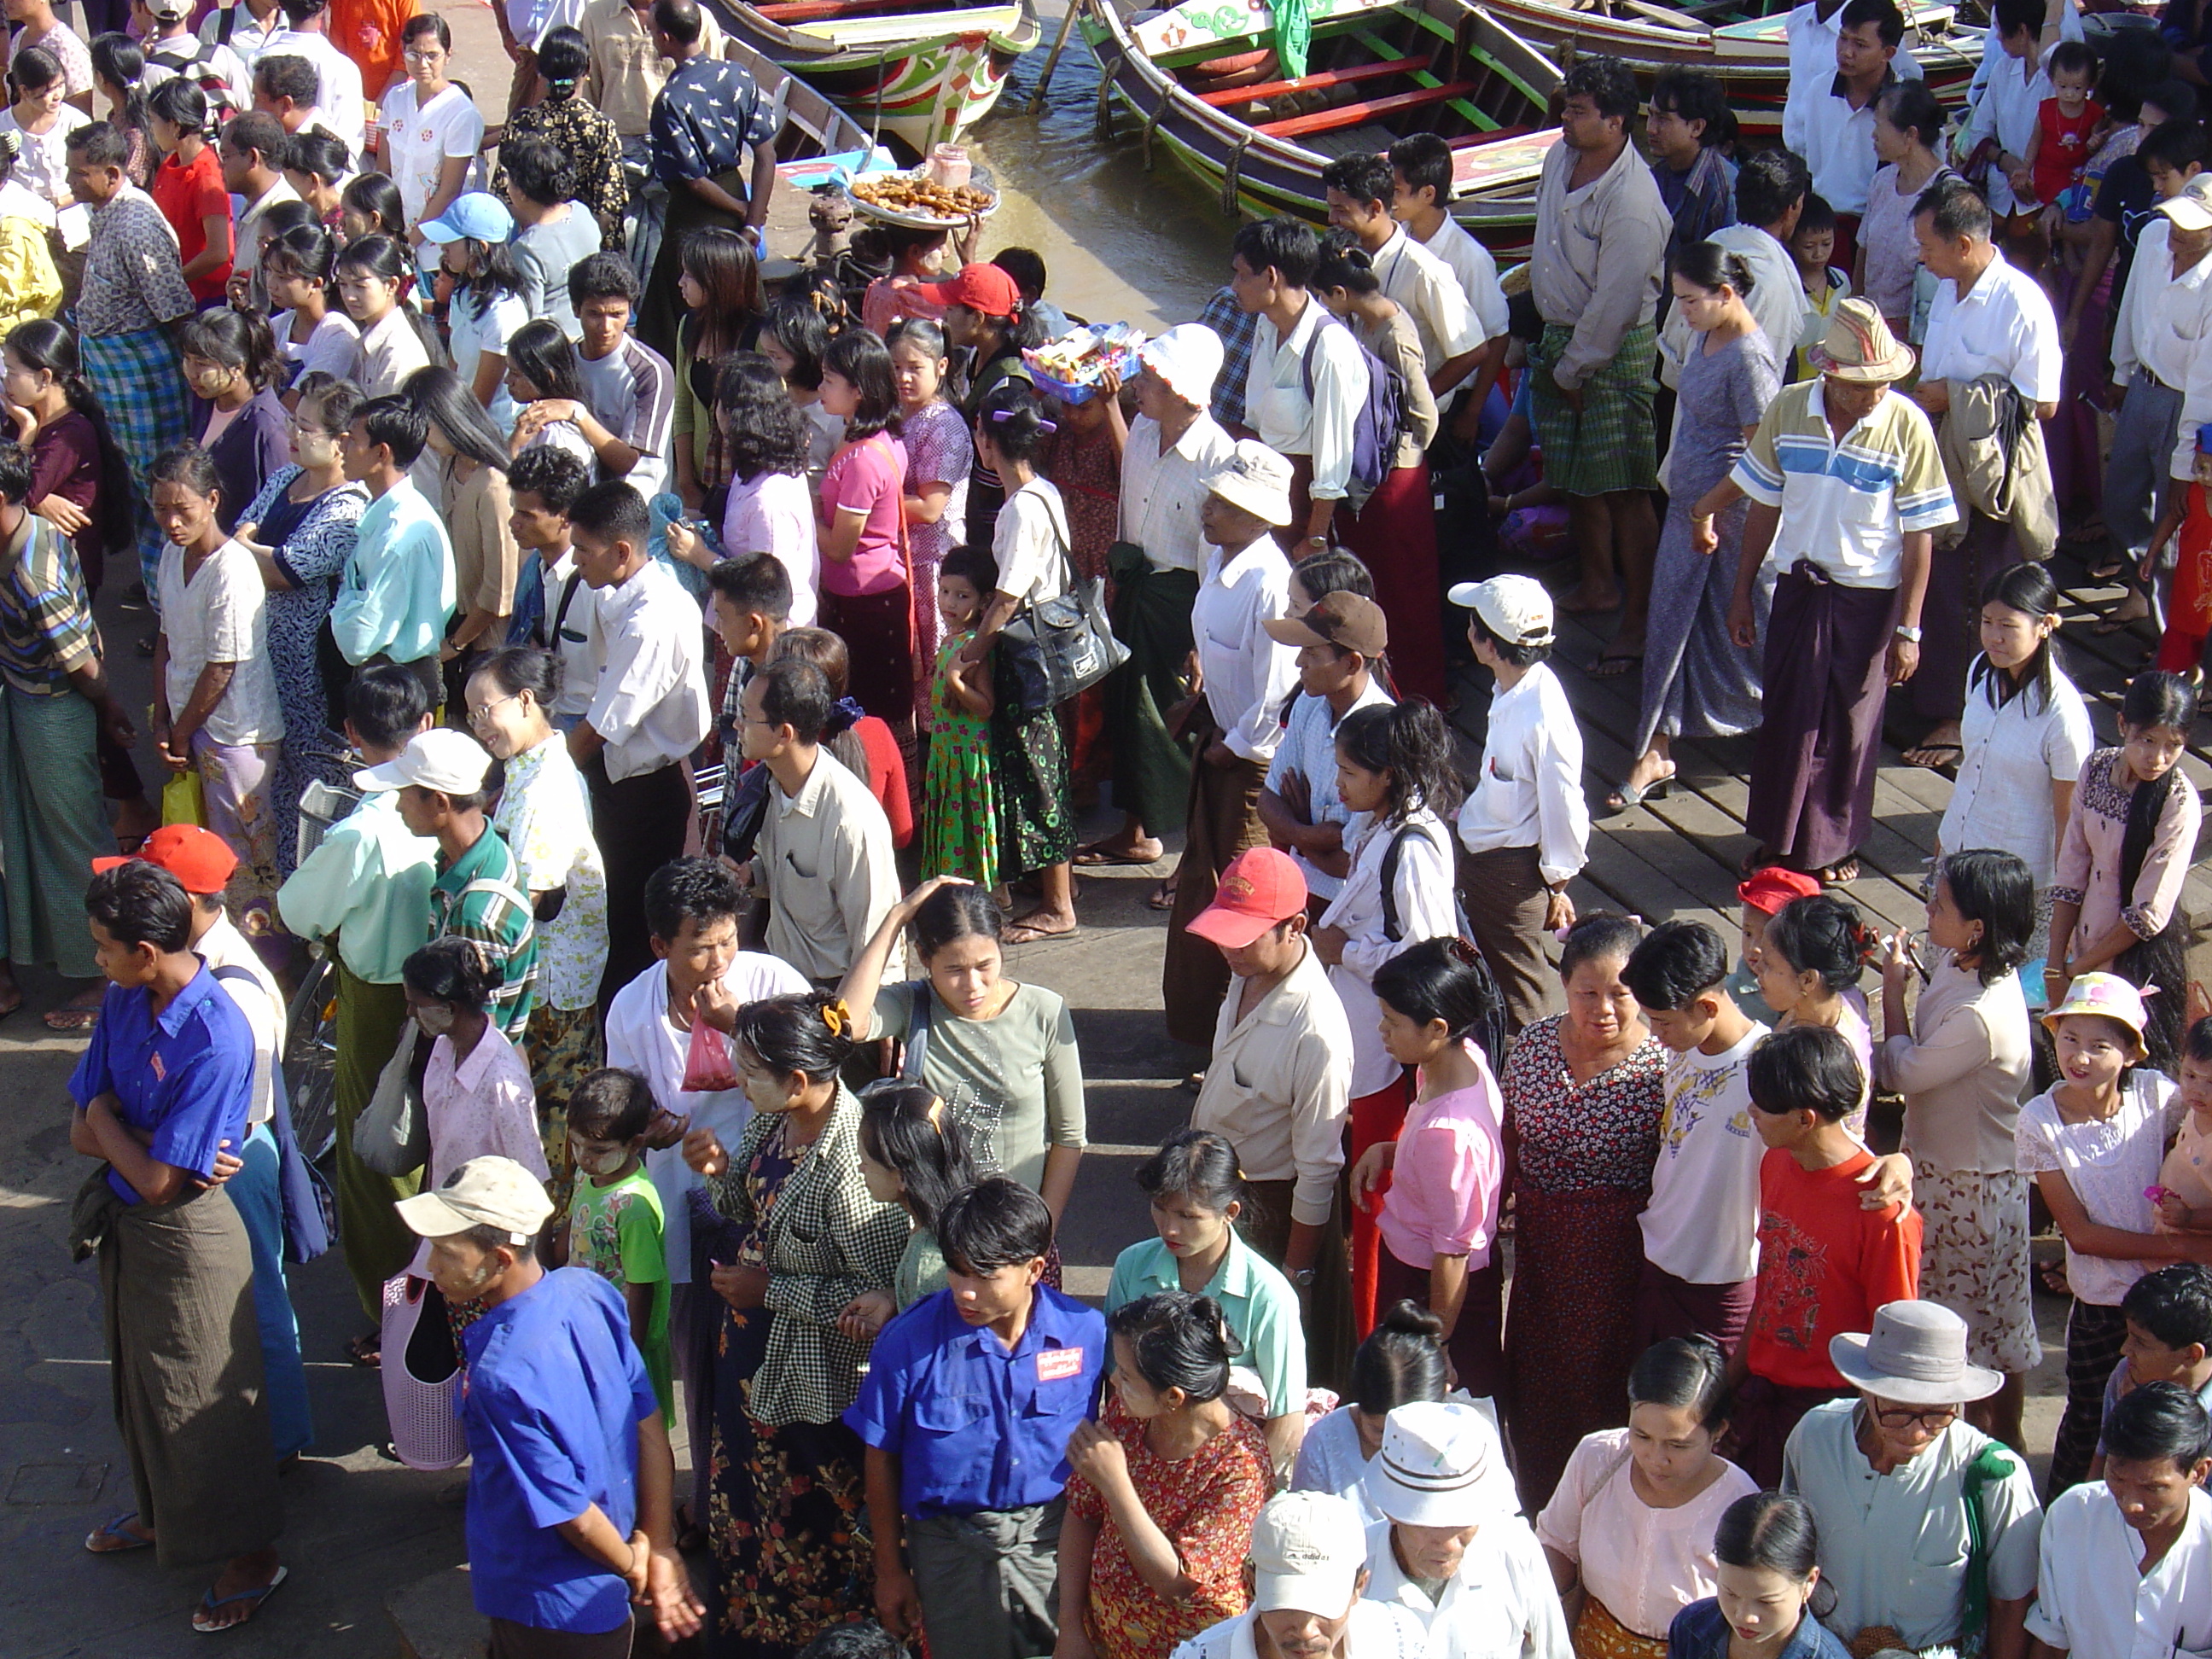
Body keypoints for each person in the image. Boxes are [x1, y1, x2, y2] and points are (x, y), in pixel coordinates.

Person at [69, 861, 287, 1633]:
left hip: (191, 1241)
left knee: (206, 1405)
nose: (96, 961)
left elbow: (162, 1182)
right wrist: (124, 1136)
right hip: (131, 1232)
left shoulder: (215, 1032)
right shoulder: (126, 1003)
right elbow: (80, 1126)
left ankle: (251, 1555)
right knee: (142, 1388)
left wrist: (111, 1125)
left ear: (147, 952)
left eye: (103, 948)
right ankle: (166, 1516)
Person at [394, 1155, 705, 1656]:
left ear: (498, 1259)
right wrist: (658, 1546)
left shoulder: (500, 1376)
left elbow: (573, 1516)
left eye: (445, 1252)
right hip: (612, 1573)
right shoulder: (589, 1290)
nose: (432, 1267)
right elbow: (648, 1423)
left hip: (548, 1603)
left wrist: (635, 1567)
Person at [682, 991, 908, 1659]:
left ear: (800, 1080)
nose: (737, 1081)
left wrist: (770, 1290)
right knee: (746, 1501)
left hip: (814, 1378)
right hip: (751, 1357)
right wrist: (719, 1172)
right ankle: (751, 1631)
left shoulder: (855, 1165)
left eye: (750, 1070)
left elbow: (876, 1292)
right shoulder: (770, 1125)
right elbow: (749, 1204)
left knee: (812, 1520)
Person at [600, 857, 806, 1527]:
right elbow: (627, 1110)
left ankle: (779, 1496)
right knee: (700, 1357)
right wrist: (662, 1132)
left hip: (777, 1204)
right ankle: (715, 1501)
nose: (719, 959)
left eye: (727, 940)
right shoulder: (632, 1007)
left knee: (776, 1351)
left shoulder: (769, 983)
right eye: (700, 947)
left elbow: (820, 1068)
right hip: (684, 1210)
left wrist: (739, 1024)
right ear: (661, 946)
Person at [1726, 300, 1953, 883]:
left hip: (1869, 599)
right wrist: (1741, 591)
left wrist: (1910, 628)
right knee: (1788, 717)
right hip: (1798, 588)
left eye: (1881, 383)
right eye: (1859, 385)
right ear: (1828, 374)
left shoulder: (1907, 425)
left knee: (1851, 726)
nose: (1872, 395)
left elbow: (1919, 535)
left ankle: (1833, 846)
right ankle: (1779, 840)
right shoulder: (1788, 409)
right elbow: (1762, 507)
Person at [847, 1177, 1107, 1659]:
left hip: (1055, 1545)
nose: (965, 1292)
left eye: (984, 1276)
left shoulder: (1086, 1334)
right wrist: (890, 1569)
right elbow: (880, 1459)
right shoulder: (907, 1342)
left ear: (1033, 1269)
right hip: (949, 1550)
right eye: (956, 1272)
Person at [276, 664, 434, 1348]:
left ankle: (397, 1320)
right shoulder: (457, 803)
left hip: (376, 1005)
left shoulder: (365, 829)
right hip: (449, 1004)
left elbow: (297, 910)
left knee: (377, 1167)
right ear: (428, 723)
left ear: (350, 734)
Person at [1871, 852, 2038, 1450]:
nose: (1927, 908)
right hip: (1953, 1172)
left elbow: (1901, 1071)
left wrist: (1892, 992)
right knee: (1995, 1330)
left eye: (1939, 903)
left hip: (1970, 1194)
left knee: (1963, 1341)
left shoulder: (1980, 1016)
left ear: (1978, 927)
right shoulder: (1965, 964)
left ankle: (1985, 1453)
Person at [1503, 914, 1668, 1508]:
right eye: (1587, 993)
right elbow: (1509, 1137)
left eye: (1621, 994)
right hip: (1541, 1252)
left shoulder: (1660, 1071)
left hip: (1614, 1259)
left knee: (1600, 1387)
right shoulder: (1535, 1049)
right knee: (1534, 1386)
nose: (1603, 1008)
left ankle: (1602, 1509)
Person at [1610, 243, 1779, 816]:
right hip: (1691, 504)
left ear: (1725, 295)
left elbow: (1763, 456)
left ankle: (1790, 720)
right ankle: (1655, 746)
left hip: (1724, 516)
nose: (1680, 310)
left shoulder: (1751, 359)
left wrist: (1707, 508)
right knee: (1672, 625)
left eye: (1688, 300)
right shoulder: (1707, 336)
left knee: (1745, 626)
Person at [2019, 973, 2201, 1493]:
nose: (2079, 1057)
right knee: (2088, 1422)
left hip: (2167, 1304)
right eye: (2069, 1039)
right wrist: (2184, 1248)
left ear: (2130, 1054)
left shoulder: (2155, 1096)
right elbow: (2081, 1235)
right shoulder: (2039, 1121)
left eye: (2100, 1045)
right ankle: (2063, 1525)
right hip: (2101, 1304)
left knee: (2170, 1424)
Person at [1905, 177, 2064, 768]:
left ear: (1964, 245)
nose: (1920, 254)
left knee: (1979, 586)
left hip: (1992, 464)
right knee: (1940, 577)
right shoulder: (1948, 289)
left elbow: (2042, 402)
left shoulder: (2021, 303)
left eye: (1928, 243)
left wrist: (1960, 395)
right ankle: (1937, 694)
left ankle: (1962, 711)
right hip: (1939, 448)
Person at [1780, 1300, 2043, 1656]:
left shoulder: (1993, 1476)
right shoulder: (1814, 1437)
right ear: (1865, 1389)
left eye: (1937, 1414)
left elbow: (2011, 1604)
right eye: (1898, 1411)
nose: (1918, 1433)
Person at [1728, 1026, 1924, 1484]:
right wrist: (1729, 1385)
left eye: (1763, 1104)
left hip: (1834, 1415)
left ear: (1804, 1119)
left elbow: (1892, 1344)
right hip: (1764, 1397)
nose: (1752, 1111)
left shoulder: (1881, 1213)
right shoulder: (1776, 1161)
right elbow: (1771, 1286)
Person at [1185, 846, 1353, 1374]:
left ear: (1295, 927)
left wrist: (1294, 1272)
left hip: (1271, 1215)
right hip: (1218, 1192)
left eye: (1243, 934)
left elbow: (1318, 1169)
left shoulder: (1317, 1032)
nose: (1226, 948)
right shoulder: (1244, 973)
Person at [838, 877, 1087, 1228]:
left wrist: (1044, 1228)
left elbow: (1069, 1137)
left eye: (985, 966)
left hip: (1016, 1232)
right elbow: (844, 1020)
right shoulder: (912, 1004)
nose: (972, 985)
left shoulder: (1044, 1011)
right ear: (924, 957)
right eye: (954, 970)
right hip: (935, 1231)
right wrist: (897, 917)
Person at [1529, 56, 1668, 673]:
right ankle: (1596, 585)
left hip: (1610, 353)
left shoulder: (1634, 202)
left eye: (1579, 111)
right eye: (1567, 107)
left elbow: (1614, 305)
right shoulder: (1560, 158)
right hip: (1562, 341)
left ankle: (1638, 618)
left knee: (1624, 488)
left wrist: (1574, 369)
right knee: (1575, 476)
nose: (1566, 118)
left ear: (1616, 123)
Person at [1161, 439, 1299, 1045]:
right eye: (1213, 498)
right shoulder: (1215, 559)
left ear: (1259, 518)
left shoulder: (1271, 584)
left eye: (1224, 503)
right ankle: (1202, 1023)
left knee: (1243, 894)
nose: (1208, 511)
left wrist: (1234, 743)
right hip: (1219, 740)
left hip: (1249, 766)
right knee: (1202, 879)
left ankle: (1244, 1028)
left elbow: (1276, 694)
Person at [1059, 1289, 1273, 1659]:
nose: (1114, 1384)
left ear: (1174, 1398)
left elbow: (1174, 1582)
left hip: (1196, 1647)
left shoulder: (1239, 1466)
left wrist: (1116, 1485)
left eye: (1126, 1376)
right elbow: (1082, 1514)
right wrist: (1071, 1627)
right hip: (1104, 1642)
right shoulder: (1127, 1417)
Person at [1088, 323, 1232, 868]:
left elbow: (1215, 555)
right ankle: (1136, 829)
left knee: (1165, 723)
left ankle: (1186, 845)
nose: (1137, 386)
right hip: (1137, 585)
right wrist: (1111, 411)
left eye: (1148, 378)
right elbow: (1137, 486)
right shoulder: (1146, 432)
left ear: (1178, 389)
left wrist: (1201, 638)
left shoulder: (1217, 457)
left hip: (1180, 599)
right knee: (1128, 712)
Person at [0, 433, 128, 1030]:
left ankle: (109, 976)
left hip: (54, 710)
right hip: (33, 704)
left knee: (74, 843)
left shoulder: (33, 573)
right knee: (43, 839)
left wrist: (108, 710)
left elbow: (83, 666)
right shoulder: (33, 530)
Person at [468, 646, 609, 1183]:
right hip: (551, 973)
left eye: (488, 710)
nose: (481, 725)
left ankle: (554, 1238)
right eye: (474, 714)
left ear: (526, 701)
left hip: (550, 983)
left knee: (553, 1123)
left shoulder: (545, 784)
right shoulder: (528, 767)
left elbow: (533, 897)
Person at [567, 479, 710, 997]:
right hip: (620, 783)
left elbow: (602, 727)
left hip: (642, 796)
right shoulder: (615, 594)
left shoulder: (653, 619)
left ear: (621, 551)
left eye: (583, 550)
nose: (576, 560)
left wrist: (539, 772)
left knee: (630, 936)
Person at [1348, 938, 1507, 1391]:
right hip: (1431, 1281)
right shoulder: (1460, 1062)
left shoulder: (1449, 1135)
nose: (1383, 1031)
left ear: (1438, 1028)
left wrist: (1436, 1342)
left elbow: (1452, 1252)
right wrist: (1388, 1151)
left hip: (1434, 1294)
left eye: (1392, 1022)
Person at [1536, 1338, 1758, 1659]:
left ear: (1718, 1431)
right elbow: (1556, 1545)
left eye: (1677, 1445)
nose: (1656, 1459)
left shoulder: (1739, 1505)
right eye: (1641, 1436)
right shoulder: (1597, 1459)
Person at [1104, 1131, 1309, 1473]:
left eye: (1187, 1216)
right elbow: (1117, 1384)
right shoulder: (1131, 1266)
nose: (1169, 1228)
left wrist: (1236, 1491)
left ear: (1229, 1212)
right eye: (1160, 1208)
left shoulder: (1269, 1295)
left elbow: (1286, 1422)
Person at [956, 383, 1079, 940]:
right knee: (1041, 767)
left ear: (987, 441)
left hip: (1026, 658)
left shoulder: (1020, 509)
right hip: (1047, 650)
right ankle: (1051, 885)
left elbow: (1007, 596)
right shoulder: (1045, 494)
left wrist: (971, 651)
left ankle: (1058, 905)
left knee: (1037, 774)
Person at [234, 371, 364, 874]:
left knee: (317, 786)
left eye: (307, 427)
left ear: (340, 444)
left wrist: (252, 551)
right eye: (295, 421)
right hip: (264, 664)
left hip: (310, 675)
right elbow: (241, 531)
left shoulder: (349, 507)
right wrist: (254, 550)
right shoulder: (286, 479)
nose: (293, 432)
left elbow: (288, 569)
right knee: (279, 787)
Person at [148, 442, 283, 924]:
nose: (172, 523)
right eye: (161, 510)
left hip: (236, 734)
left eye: (182, 510)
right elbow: (165, 637)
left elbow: (221, 667)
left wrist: (179, 732)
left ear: (212, 501)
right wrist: (162, 718)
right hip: (192, 725)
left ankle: (269, 963)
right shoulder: (171, 555)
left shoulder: (232, 569)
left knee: (247, 860)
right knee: (205, 855)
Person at [1307, 235, 1445, 704]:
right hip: (1378, 475)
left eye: (1323, 298)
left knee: (1407, 589)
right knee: (1380, 585)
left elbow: (1426, 415)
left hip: (1396, 480)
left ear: (1340, 295)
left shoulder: (1393, 333)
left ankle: (1423, 691)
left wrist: (1398, 452)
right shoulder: (1366, 323)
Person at [1450, 574, 1587, 1033]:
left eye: (1474, 627)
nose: (1468, 632)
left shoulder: (1542, 716)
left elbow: (1565, 802)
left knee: (1523, 1001)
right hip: (1486, 855)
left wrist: (1557, 881)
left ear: (1489, 646)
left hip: (1511, 874)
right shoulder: (1512, 689)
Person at [2049, 670, 2201, 1076]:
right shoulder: (2096, 769)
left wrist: (2081, 969)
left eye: (2173, 746)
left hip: (2135, 955)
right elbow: (2072, 868)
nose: (2158, 758)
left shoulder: (2178, 801)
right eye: (2147, 741)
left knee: (2126, 1064)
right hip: (2084, 939)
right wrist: (2055, 961)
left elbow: (2146, 913)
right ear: (2122, 726)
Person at [1935, 566, 2091, 956]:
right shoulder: (1980, 671)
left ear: (2045, 625)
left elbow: (2067, 819)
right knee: (1942, 975)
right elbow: (1972, 773)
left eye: (2008, 625)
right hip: (1959, 850)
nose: (1994, 636)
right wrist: (1943, 847)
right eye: (1987, 622)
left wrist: (2065, 907)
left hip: (2016, 880)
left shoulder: (2063, 715)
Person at [72, 119, 194, 605]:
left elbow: (175, 309)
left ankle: (176, 609)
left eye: (79, 175)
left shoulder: (136, 224)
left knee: (162, 489)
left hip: (143, 379)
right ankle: (155, 589)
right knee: (141, 489)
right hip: (116, 376)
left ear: (113, 172)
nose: (70, 183)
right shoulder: (107, 212)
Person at [358, 726, 538, 1045]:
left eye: (403, 794)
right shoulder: (485, 851)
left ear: (440, 803)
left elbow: (478, 1031)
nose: (399, 807)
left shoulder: (475, 914)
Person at [399, 934, 550, 1305]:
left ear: (448, 1007)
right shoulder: (441, 1050)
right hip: (449, 1239)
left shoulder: (503, 1083)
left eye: (417, 1005)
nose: (411, 1014)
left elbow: (533, 1188)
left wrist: (533, 1288)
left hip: (485, 1262)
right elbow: (439, 1149)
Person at [1359, 1400, 1572, 1659]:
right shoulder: (1353, 1569)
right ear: (1391, 1512)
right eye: (1429, 1527)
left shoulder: (1515, 1552)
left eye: (1463, 1524)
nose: (1449, 1545)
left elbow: (1554, 1653)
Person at [740, 655, 899, 988]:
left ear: (783, 734)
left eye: (746, 717)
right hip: (783, 984)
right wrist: (752, 874)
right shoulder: (768, 787)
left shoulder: (850, 819)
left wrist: (873, 1022)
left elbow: (878, 935)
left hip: (831, 994)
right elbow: (788, 877)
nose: (737, 726)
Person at [2102, 166, 2212, 635]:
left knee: (2174, 516)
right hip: (2143, 388)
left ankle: (2172, 635)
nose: (2175, 235)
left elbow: (2205, 387)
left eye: (2190, 228)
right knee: (2121, 500)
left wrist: (2185, 464)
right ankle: (2141, 596)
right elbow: (2131, 305)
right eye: (2175, 221)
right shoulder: (2152, 238)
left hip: (2186, 406)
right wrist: (2120, 370)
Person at [2029, 1381, 2212, 1656]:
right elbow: (2053, 1639)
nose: (2131, 1503)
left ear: (2198, 1473)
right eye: (2117, 1477)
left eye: (2152, 1487)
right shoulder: (2071, 1517)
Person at [637, 0, 777, 358]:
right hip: (734, 192)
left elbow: (694, 180)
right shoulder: (738, 76)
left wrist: (743, 210)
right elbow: (766, 156)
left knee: (680, 311)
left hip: (694, 212)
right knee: (741, 303)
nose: (652, 38)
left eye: (653, 32)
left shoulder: (670, 100)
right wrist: (753, 222)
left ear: (666, 38)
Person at [1226, 217, 1370, 553]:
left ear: (1272, 277)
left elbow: (1332, 463)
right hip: (1257, 494)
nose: (1234, 286)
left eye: (1243, 274)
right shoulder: (1265, 325)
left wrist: (1314, 538)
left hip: (1297, 514)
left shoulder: (1329, 349)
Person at [1256, 581, 1393, 920]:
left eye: (1313, 653)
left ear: (1351, 664)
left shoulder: (1382, 734)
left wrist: (1294, 833)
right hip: (1300, 890)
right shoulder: (1308, 702)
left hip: (1354, 914)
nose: (1299, 662)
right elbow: (1268, 803)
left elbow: (1348, 863)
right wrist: (1310, 833)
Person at [1170, 1489, 1429, 1659]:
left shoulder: (1401, 1640)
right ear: (1252, 1582)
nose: (1305, 1631)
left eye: (1324, 1608)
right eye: (1286, 1605)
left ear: (1359, 1587)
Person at [672, 350, 816, 623]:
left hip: (770, 640)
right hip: (740, 623)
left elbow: (766, 589)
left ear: (730, 415)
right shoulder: (754, 468)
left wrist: (698, 554)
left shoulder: (770, 500)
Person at [814, 327, 912, 731]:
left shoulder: (862, 461)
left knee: (866, 722)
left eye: (829, 380)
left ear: (858, 390)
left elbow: (840, 548)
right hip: (872, 594)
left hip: (863, 603)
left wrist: (804, 512)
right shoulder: (880, 439)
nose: (821, 387)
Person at [403, 363, 518, 704]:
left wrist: (455, 645)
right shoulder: (449, 464)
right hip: (460, 626)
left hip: (490, 643)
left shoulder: (494, 485)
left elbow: (500, 592)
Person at [563, 1067, 674, 1420]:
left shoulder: (634, 1205)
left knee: (641, 1434)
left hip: (625, 1343)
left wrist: (630, 1357)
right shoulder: (587, 1175)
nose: (584, 1157)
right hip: (587, 1331)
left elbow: (643, 1287)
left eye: (597, 1149)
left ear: (636, 1144)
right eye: (576, 1144)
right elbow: (572, 1232)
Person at [331, 392, 454, 704]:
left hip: (401, 685)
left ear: (381, 453)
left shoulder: (401, 533)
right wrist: (352, 601)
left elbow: (358, 640)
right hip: (388, 677)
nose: (341, 446)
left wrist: (345, 604)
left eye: (352, 439)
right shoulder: (388, 515)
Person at [1289, 1302, 1451, 1527]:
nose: (1394, 1443)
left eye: (1411, 1433)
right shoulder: (1324, 1443)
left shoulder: (1468, 1444)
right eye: (1379, 1430)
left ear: (1444, 1397)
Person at [913, 262, 1039, 550]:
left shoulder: (1009, 385)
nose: (944, 316)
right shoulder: (975, 358)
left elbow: (1000, 470)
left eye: (951, 309)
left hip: (993, 521)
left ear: (978, 319)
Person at [888, 316, 969, 719]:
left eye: (914, 368)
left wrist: (866, 499)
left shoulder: (945, 427)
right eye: (896, 367)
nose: (903, 378)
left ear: (941, 367)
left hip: (933, 567)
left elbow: (930, 507)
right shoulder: (899, 415)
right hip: (903, 559)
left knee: (933, 676)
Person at [844, 1081, 982, 1318]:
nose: (860, 1169)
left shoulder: (929, 1262)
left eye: (866, 1162)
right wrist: (893, 1299)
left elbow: (929, 1344)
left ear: (901, 1177)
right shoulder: (971, 1214)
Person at [1662, 1492, 1855, 1659]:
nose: (1745, 1616)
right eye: (1731, 1594)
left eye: (1766, 1602)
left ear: (1809, 1582)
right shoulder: (1692, 1626)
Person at [493, 26, 628, 249]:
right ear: (587, 69)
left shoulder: (521, 124)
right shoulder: (600, 127)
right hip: (587, 257)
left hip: (532, 251)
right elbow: (608, 207)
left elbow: (503, 196)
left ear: (540, 71)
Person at [556, 253, 673, 498]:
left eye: (617, 315)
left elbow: (627, 461)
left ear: (630, 310)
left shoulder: (650, 372)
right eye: (595, 314)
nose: (606, 327)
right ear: (576, 309)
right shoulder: (564, 362)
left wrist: (576, 413)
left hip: (634, 504)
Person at [669, 230, 769, 514]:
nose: (681, 283)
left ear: (716, 282)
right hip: (702, 484)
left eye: (689, 276)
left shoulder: (760, 338)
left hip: (749, 486)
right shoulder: (688, 327)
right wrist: (687, 484)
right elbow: (684, 409)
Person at [1799, 0, 1913, 241]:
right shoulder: (1819, 90)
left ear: (1888, 53)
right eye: (1843, 38)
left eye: (1860, 45)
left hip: (1884, 226)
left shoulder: (1906, 103)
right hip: (1826, 224)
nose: (1846, 52)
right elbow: (1813, 161)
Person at [920, 544, 998, 885]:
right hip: (946, 749)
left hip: (967, 753)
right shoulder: (951, 639)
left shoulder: (970, 646)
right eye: (945, 591)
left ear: (984, 601)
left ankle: (986, 887)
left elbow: (985, 706)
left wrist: (954, 680)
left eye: (962, 595)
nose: (949, 603)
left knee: (969, 819)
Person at [504, 445, 598, 728]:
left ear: (566, 517)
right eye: (514, 511)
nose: (513, 523)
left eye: (527, 515)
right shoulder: (534, 568)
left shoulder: (596, 586)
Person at [425, 195, 530, 434]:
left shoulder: (503, 312)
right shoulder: (462, 292)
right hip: (458, 418)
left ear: (481, 248)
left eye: (450, 241)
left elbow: (481, 400)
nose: (443, 248)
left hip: (491, 432)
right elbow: (453, 364)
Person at [180, 309, 288, 538]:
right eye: (187, 360)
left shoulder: (266, 427)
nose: (191, 372)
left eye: (201, 364)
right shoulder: (208, 401)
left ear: (237, 368)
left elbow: (277, 510)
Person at [1858, 81, 1953, 337]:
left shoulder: (1949, 195)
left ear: (1910, 135)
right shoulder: (1882, 182)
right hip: (1871, 332)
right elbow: (1864, 251)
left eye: (1879, 125)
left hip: (1920, 340)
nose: (1873, 134)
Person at [2098, 1265, 2212, 1458]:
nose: (2125, 1350)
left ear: (2191, 1355)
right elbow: (2106, 1458)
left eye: (2140, 1342)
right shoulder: (2127, 1373)